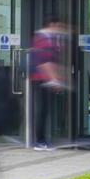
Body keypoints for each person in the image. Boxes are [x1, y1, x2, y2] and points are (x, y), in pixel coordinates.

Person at [26, 20, 71, 149]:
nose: (60, 29)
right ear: (51, 24)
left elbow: (53, 61)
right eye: (59, 26)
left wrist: (58, 77)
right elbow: (44, 62)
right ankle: (40, 141)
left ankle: (43, 140)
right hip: (41, 80)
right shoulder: (43, 39)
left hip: (46, 79)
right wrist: (54, 79)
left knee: (45, 110)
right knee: (42, 110)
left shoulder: (51, 39)